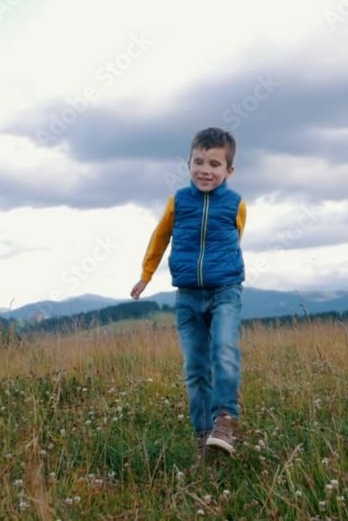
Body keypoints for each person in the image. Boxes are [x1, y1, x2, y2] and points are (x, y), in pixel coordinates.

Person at [130, 127, 247, 461]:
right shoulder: (178, 202)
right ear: (189, 163)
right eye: (199, 162)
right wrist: (146, 275)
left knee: (224, 349)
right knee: (195, 368)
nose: (205, 170)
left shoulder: (236, 204)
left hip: (225, 291)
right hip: (187, 296)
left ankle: (225, 419)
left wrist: (221, 272)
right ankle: (203, 437)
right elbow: (159, 238)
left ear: (229, 170)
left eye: (215, 164)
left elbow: (235, 241)